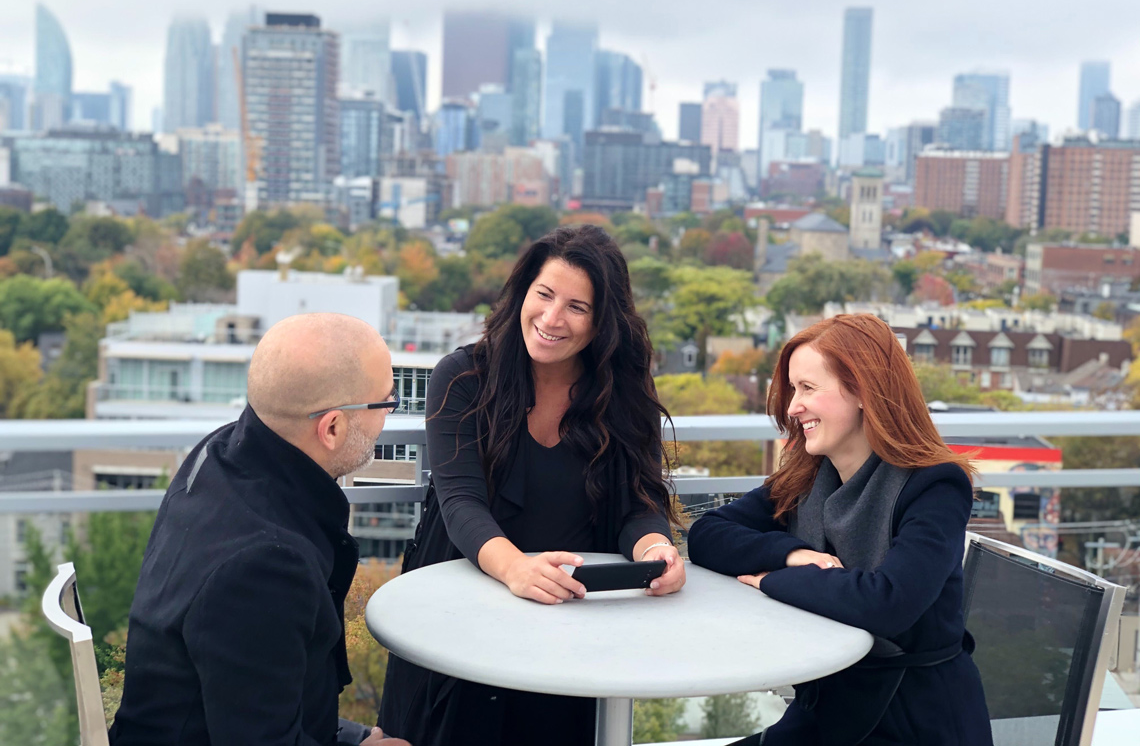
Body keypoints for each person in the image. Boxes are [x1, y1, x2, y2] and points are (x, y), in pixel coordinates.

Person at [378, 225, 686, 746]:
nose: (550, 318)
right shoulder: (462, 377)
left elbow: (640, 501)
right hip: (464, 608)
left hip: (569, 620)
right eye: (543, 294)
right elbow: (460, 502)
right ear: (522, 292)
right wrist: (516, 568)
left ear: (602, 322)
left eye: (576, 307)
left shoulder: (622, 389)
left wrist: (656, 549)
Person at [688, 313, 992, 746]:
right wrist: (793, 555)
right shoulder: (810, 475)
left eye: (808, 388)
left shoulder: (935, 485)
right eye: (794, 389)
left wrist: (774, 580)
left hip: (912, 719)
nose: (793, 406)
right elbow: (708, 535)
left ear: (864, 389)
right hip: (826, 709)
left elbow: (889, 603)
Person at [109, 313, 412, 746]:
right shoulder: (265, 565)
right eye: (388, 402)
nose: (389, 415)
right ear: (332, 427)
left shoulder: (219, 454)